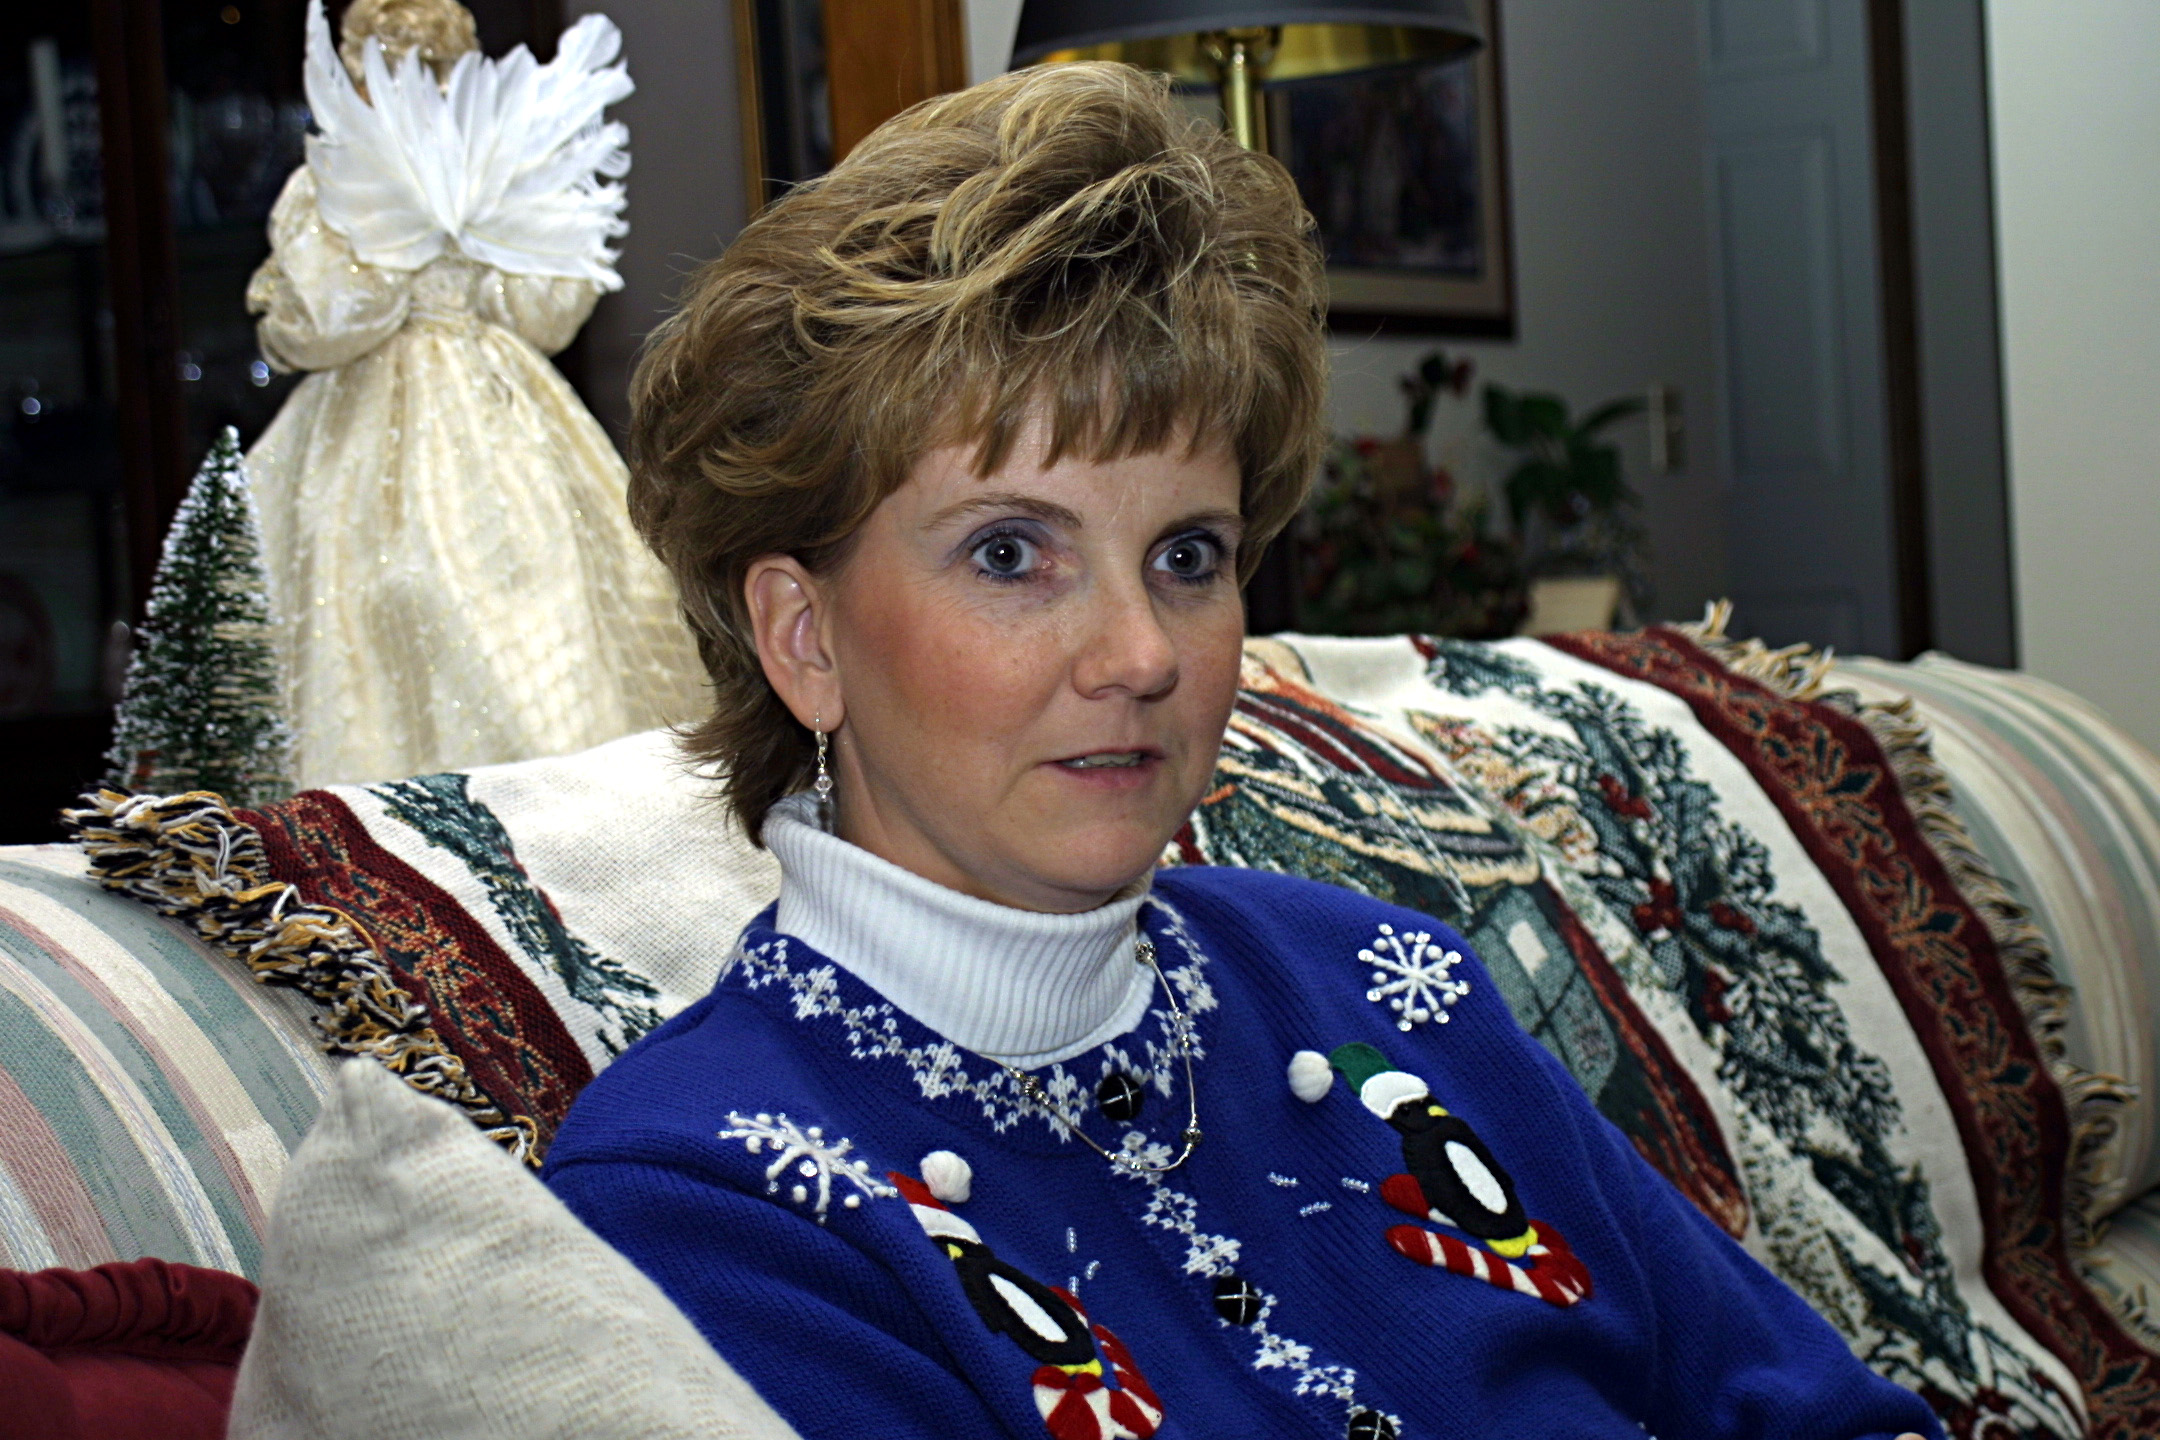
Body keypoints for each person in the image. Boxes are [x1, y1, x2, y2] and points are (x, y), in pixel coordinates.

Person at [541, 62, 1940, 1440]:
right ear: (804, 639)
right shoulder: (706, 1203)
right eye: (1012, 553)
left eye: (1187, 556)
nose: (1141, 653)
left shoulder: (1391, 990)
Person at [242, 0, 704, 787]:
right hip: (441, 401)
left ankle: (526, 796)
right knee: (409, 590)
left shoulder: (360, 183)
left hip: (469, 399)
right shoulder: (360, 179)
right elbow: (538, 309)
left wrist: (399, 251)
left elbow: (315, 322)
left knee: (488, 588)